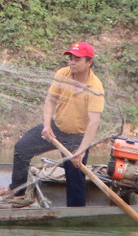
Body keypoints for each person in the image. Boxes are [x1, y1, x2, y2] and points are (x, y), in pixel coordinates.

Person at [6, 41, 104, 207]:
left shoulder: (95, 87)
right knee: (22, 149)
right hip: (56, 128)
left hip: (77, 138)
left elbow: (94, 122)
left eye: (77, 59)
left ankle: (75, 213)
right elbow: (50, 100)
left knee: (75, 175)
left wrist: (80, 151)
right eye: (71, 58)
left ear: (89, 62)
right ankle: (18, 190)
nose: (72, 62)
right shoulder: (62, 74)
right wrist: (46, 125)